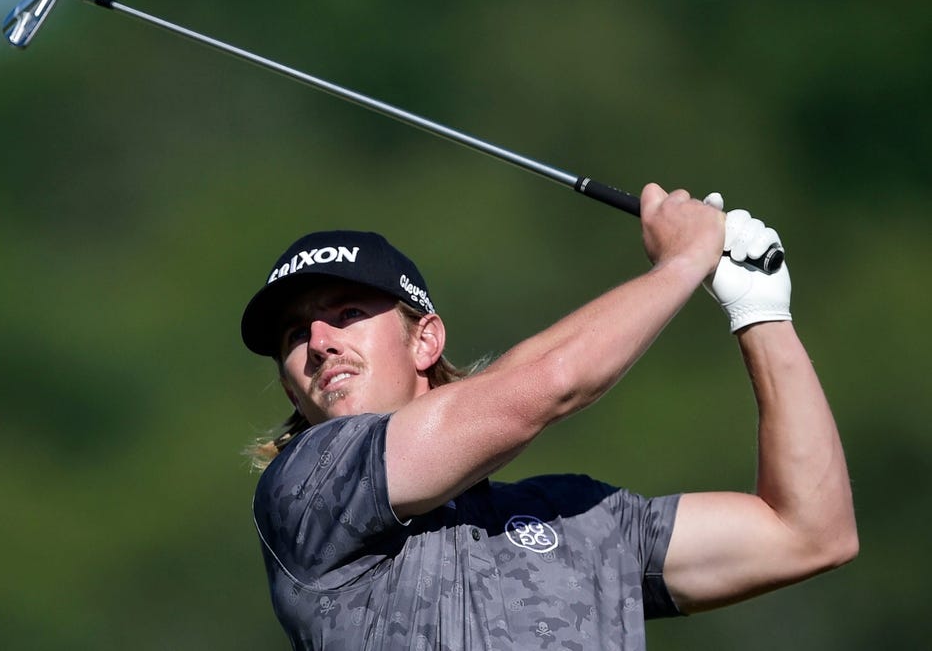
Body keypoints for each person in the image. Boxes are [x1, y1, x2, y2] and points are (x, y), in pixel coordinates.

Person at [240, 184, 857, 650]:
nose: (318, 341)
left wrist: (760, 311)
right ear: (293, 390)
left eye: (346, 313)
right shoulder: (306, 491)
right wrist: (682, 263)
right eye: (296, 333)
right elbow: (542, 388)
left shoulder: (581, 517)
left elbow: (809, 533)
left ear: (424, 341)